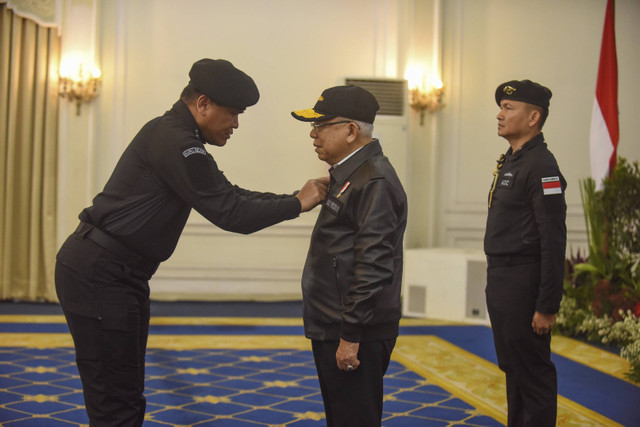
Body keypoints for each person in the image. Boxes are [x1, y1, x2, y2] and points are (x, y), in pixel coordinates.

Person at [55, 58, 328, 426]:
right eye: (232, 113)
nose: (235, 124)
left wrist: (293, 197)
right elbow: (230, 212)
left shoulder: (176, 136)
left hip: (116, 272)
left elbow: (228, 194)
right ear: (202, 104)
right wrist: (296, 204)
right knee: (115, 399)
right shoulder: (177, 142)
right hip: (100, 272)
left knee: (125, 393)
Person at [291, 85, 407, 427]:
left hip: (355, 330)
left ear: (351, 130)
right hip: (338, 323)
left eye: (322, 125)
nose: (313, 134)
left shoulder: (374, 181)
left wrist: (351, 335)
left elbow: (373, 265)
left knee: (354, 420)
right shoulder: (352, 175)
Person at [484, 79, 567, 427]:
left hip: (523, 280)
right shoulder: (514, 160)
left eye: (509, 108)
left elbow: (553, 238)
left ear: (534, 117)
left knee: (532, 374)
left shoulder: (541, 166)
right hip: (504, 280)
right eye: (501, 107)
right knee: (514, 369)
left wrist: (547, 304)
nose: (500, 115)